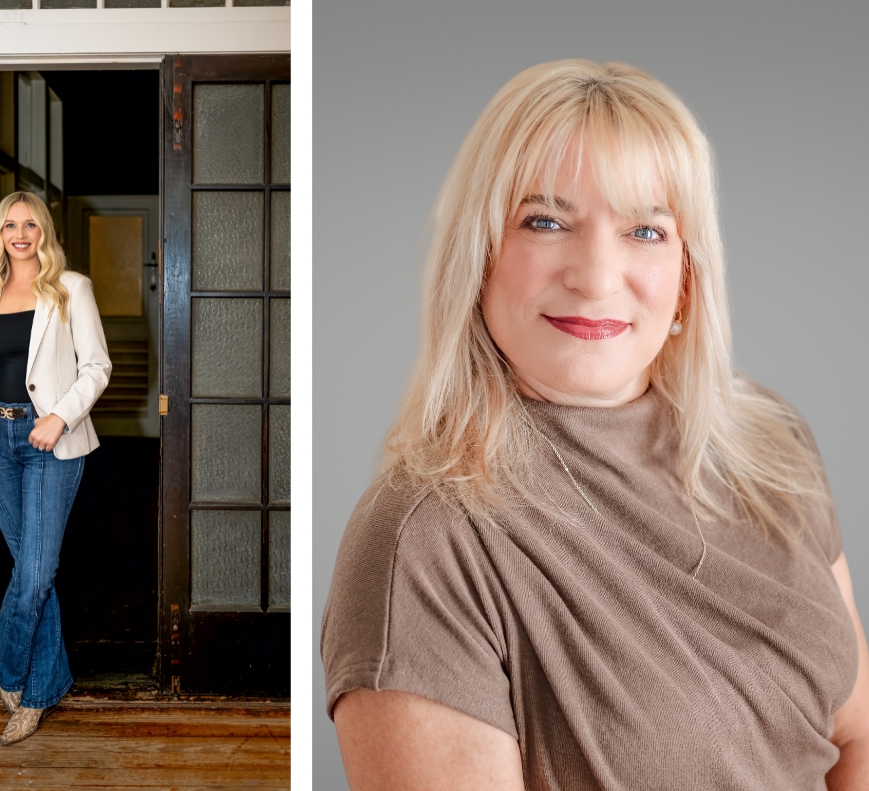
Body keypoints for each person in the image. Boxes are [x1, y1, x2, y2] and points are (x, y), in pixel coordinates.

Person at [321, 60, 869, 789]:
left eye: (645, 229)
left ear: (686, 276)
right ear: (477, 257)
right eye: (544, 221)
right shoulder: (421, 541)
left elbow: (854, 735)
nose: (596, 275)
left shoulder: (770, 441)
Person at [0, 191, 112, 746]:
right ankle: (45, 690)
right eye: (9, 225)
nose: (20, 234)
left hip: (52, 440)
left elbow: (97, 367)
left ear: (44, 231)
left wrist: (61, 418)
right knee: (30, 567)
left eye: (30, 224)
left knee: (38, 570)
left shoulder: (71, 289)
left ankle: (7, 661)